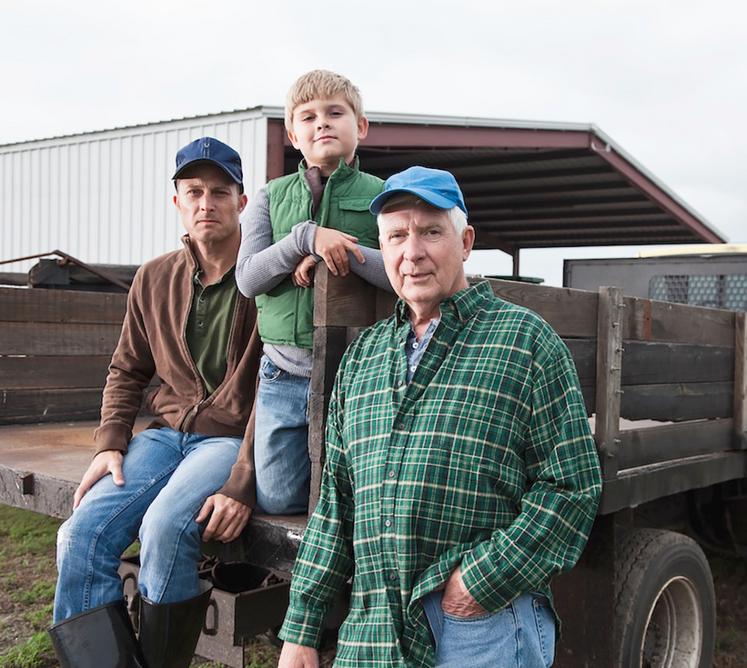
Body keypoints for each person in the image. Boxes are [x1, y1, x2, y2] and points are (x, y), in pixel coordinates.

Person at [276, 166, 603, 667]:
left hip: (480, 625)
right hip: (374, 633)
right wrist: (301, 627)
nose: (412, 253)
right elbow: (337, 502)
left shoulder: (526, 342)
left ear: (465, 241)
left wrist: (479, 581)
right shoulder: (363, 357)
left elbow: (571, 487)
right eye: (397, 236)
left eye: (431, 231)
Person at [49, 137, 262, 668]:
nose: (206, 203)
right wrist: (111, 441)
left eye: (219, 191)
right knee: (79, 535)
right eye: (194, 192)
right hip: (166, 436)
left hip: (228, 439)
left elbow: (282, 382)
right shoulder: (153, 276)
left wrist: (245, 471)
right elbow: (127, 368)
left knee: (165, 528)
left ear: (241, 200)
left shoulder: (266, 275)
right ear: (177, 202)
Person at [235, 69, 390, 516]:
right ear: (292, 135)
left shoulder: (384, 196)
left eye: (335, 113)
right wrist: (305, 238)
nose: (322, 123)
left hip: (359, 374)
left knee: (359, 493)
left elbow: (400, 273)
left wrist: (335, 252)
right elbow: (248, 278)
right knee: (278, 497)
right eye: (308, 117)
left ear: (359, 126)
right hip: (283, 373)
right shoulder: (269, 197)